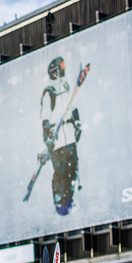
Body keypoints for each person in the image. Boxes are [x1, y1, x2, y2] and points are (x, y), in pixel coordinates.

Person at [40, 57, 91, 215]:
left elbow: (73, 106)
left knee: (72, 171)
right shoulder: (49, 93)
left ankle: (68, 201)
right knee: (61, 173)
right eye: (61, 66)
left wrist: (77, 123)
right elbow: (45, 118)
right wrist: (47, 137)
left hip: (69, 138)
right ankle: (59, 200)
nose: (64, 69)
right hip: (58, 142)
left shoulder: (67, 87)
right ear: (55, 70)